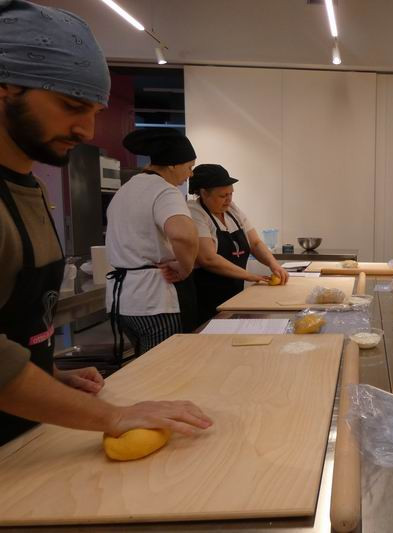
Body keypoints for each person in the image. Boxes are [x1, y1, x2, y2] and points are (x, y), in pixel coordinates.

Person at [0, 0, 211, 446]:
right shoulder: (162, 191)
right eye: (71, 105)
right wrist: (111, 416)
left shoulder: (29, 188)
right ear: (6, 87)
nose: (87, 131)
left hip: (26, 437)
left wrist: (48, 374)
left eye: (94, 111)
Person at [105, 128, 200, 357]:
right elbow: (183, 235)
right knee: (166, 369)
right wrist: (185, 268)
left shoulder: (125, 189)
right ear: (172, 165)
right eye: (189, 167)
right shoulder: (165, 191)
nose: (190, 174)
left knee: (144, 367)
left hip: (121, 302)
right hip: (155, 301)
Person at [188, 164, 289, 325]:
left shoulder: (232, 210)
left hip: (234, 297)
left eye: (231, 194)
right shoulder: (194, 212)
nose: (228, 199)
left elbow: (255, 243)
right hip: (206, 299)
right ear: (203, 193)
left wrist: (273, 264)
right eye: (222, 195)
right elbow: (208, 259)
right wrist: (250, 276)